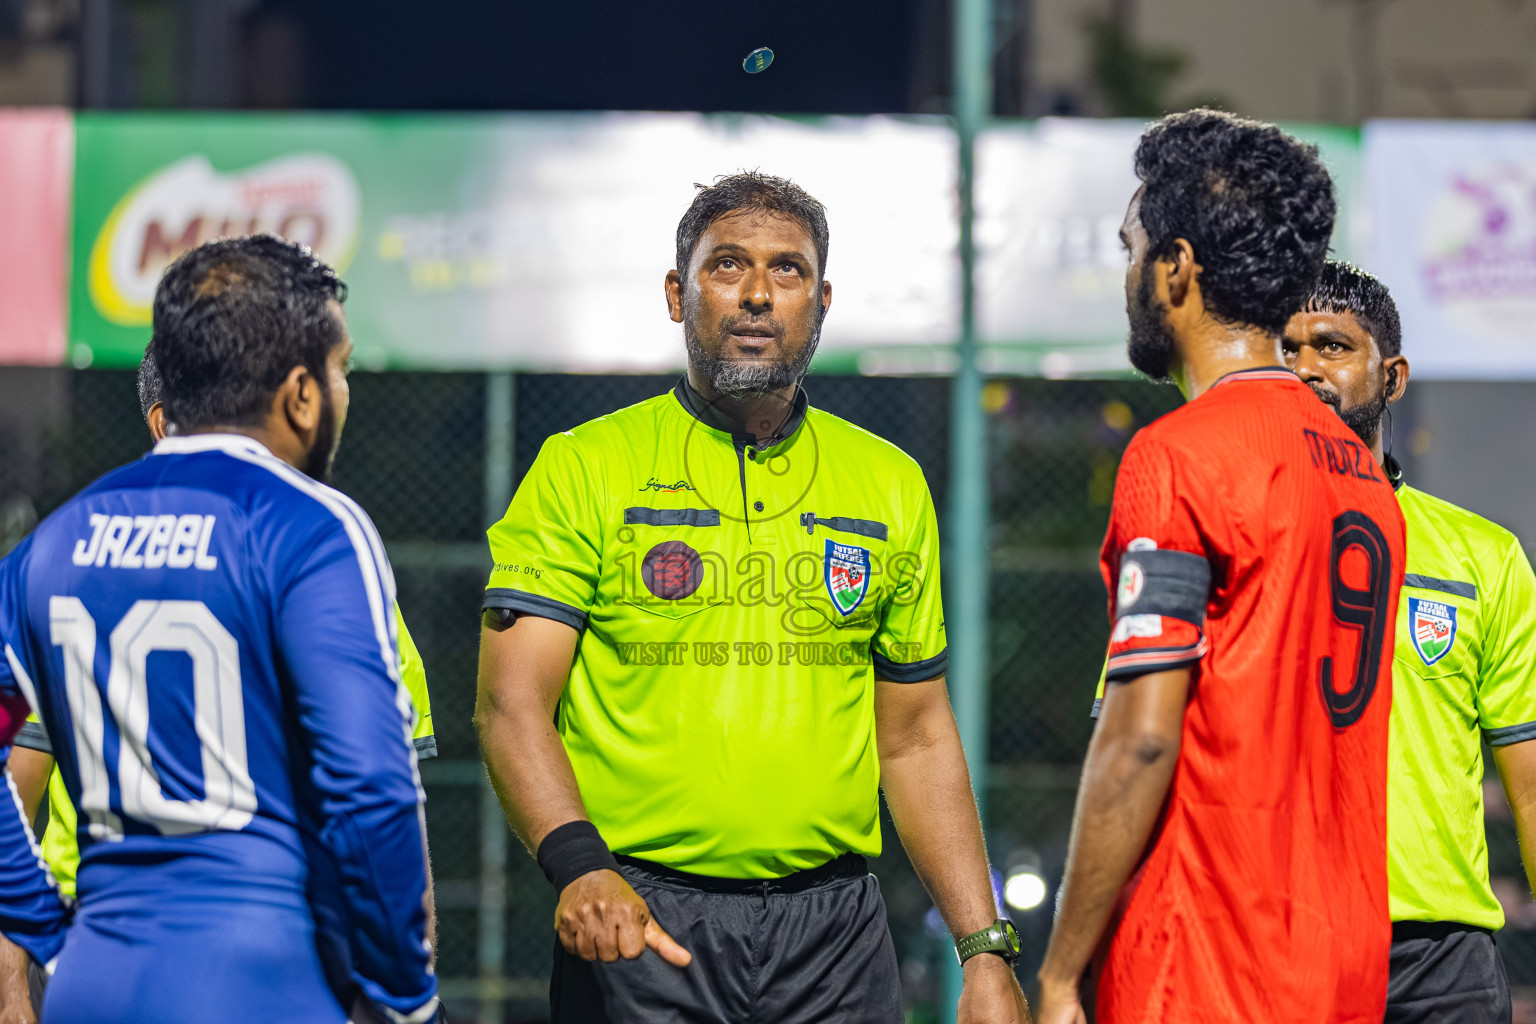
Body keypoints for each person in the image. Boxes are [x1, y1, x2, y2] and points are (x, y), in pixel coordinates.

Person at [475, 171, 1029, 1023]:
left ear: (823, 299)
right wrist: (581, 867)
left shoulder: (887, 483)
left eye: (789, 270)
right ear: (677, 294)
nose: (759, 295)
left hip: (836, 936)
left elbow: (915, 737)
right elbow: (512, 705)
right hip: (642, 923)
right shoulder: (583, 466)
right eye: (727, 266)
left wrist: (983, 950)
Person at [0, 235, 437, 1024]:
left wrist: (40, 925)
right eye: (340, 371)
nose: (344, 393)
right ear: (301, 393)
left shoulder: (53, 544)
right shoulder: (311, 528)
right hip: (265, 979)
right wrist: (406, 997)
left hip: (92, 980)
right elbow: (372, 789)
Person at [1034, 110, 1405, 1024]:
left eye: (1132, 248)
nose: (1128, 275)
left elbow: (1144, 734)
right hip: (1343, 968)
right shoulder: (1367, 480)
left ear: (1177, 268)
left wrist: (1059, 971)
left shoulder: (1180, 455)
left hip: (1205, 962)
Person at [1284, 260, 1536, 1024]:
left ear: (1391, 377)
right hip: (1274, 934)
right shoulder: (1222, 535)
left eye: (1331, 346)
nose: (1304, 370)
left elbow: (1528, 780)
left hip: (1438, 956)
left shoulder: (1482, 555)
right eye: (1285, 350)